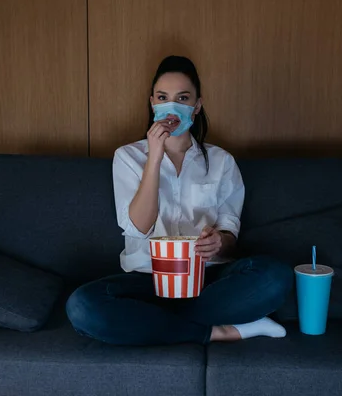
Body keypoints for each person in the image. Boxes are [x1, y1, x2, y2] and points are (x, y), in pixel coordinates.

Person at [66, 56, 292, 345]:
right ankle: (217, 330)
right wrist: (155, 156)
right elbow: (137, 227)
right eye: (163, 98)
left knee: (275, 276)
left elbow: (230, 232)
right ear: (152, 104)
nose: (171, 107)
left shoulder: (222, 161)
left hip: (208, 281)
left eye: (182, 98)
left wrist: (219, 242)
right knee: (82, 306)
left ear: (196, 106)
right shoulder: (128, 157)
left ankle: (155, 322)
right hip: (146, 280)